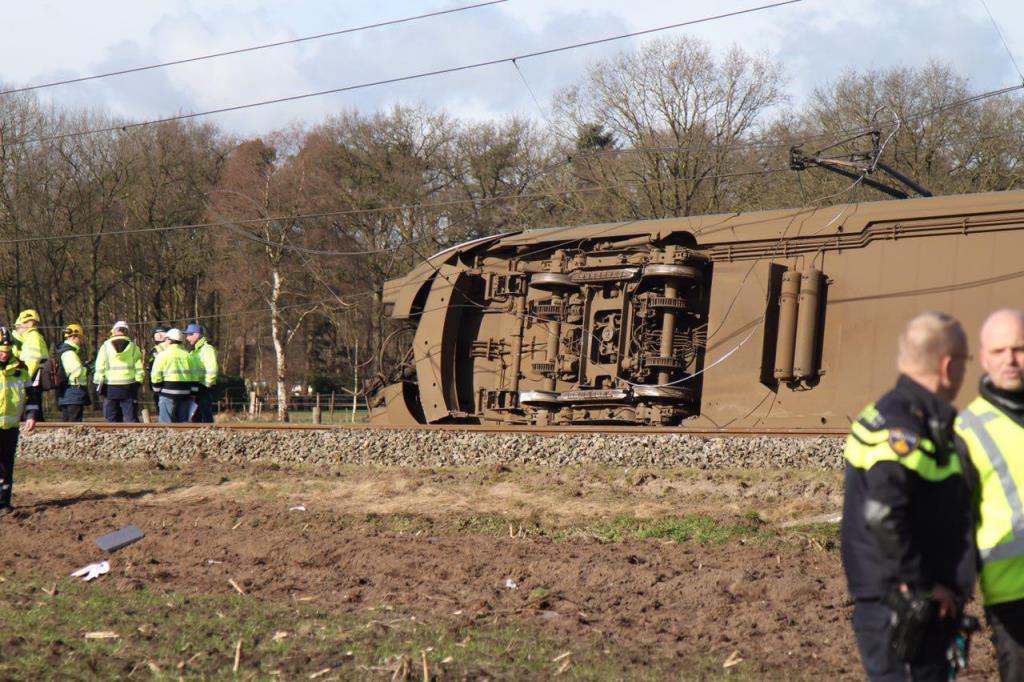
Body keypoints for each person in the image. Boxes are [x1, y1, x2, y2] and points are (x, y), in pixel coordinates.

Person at [840, 311, 976, 681]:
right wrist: (925, 586)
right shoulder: (906, 428)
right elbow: (884, 514)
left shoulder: (882, 415)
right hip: (906, 610)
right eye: (966, 361)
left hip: (893, 605)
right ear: (948, 367)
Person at [955, 309, 1024, 680]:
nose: (1010, 359)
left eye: (1020, 348)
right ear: (984, 358)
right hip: (1014, 603)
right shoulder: (967, 432)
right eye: (999, 351)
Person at [0, 326, 35, 515]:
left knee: (7, 465)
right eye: (0, 352)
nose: (4, 355)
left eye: (6, 351)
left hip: (11, 426)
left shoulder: (21, 370)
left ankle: (5, 502)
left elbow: (32, 397)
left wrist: (30, 416)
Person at [93, 321, 144, 423]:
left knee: (111, 417)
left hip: (110, 387)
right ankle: (134, 435)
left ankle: (113, 436)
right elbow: (139, 367)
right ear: (126, 332)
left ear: (113, 332)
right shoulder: (134, 348)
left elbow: (99, 367)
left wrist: (98, 384)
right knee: (131, 417)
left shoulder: (105, 347)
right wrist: (138, 382)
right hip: (128, 386)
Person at [151, 328, 198, 423]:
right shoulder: (188, 356)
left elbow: (156, 376)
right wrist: (193, 393)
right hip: (185, 393)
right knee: (182, 424)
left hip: (167, 393)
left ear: (169, 340)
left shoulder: (162, 355)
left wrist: (157, 390)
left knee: (166, 424)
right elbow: (194, 377)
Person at [13, 309, 47, 422]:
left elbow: (32, 360)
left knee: (34, 405)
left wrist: (26, 377)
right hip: (35, 376)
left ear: (29, 323)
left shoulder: (32, 337)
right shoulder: (31, 337)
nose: (18, 329)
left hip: (34, 377)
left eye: (19, 326)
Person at [56, 324, 91, 422]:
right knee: (74, 421)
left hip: (66, 392)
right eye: (80, 338)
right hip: (73, 391)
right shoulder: (70, 353)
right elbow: (77, 372)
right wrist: (87, 369)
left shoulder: (64, 351)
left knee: (67, 422)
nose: (81, 341)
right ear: (75, 337)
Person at [185, 323, 218, 423]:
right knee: (196, 417)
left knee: (206, 416)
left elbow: (212, 371)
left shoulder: (207, 350)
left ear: (197, 335)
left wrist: (205, 385)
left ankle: (211, 436)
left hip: (204, 389)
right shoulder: (193, 351)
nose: (187, 338)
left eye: (189, 335)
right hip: (195, 388)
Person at [146, 326, 169, 413]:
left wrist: (153, 386)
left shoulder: (156, 350)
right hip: (176, 383)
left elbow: (153, 369)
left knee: (163, 412)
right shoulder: (179, 349)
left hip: (160, 384)